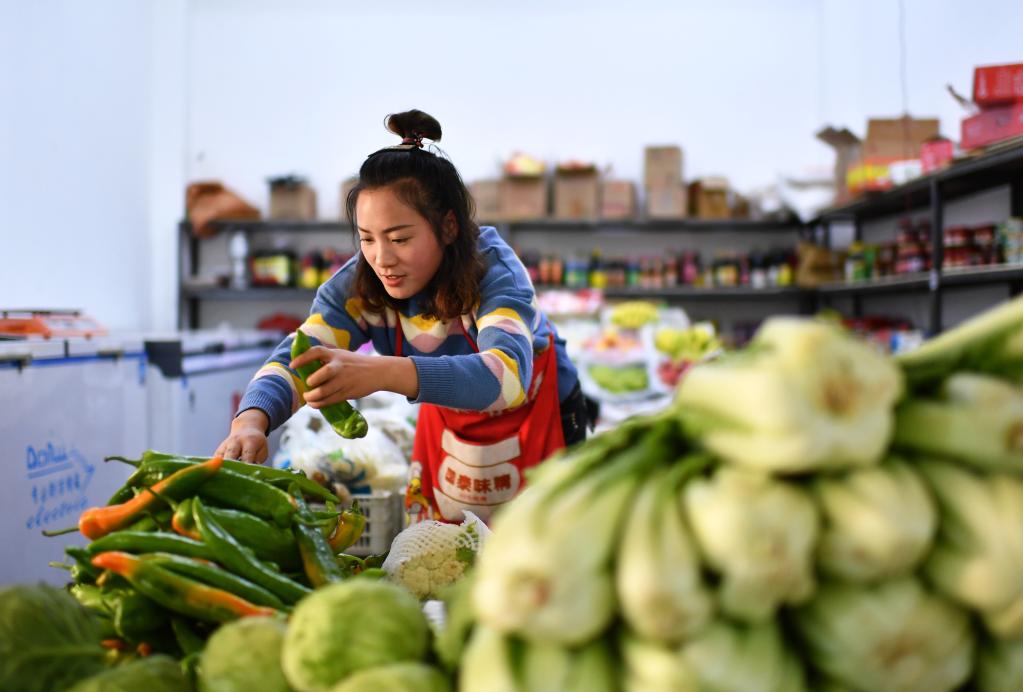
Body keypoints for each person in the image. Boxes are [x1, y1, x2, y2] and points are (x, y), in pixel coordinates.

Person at [216, 109, 589, 523]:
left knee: (542, 543)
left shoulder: (494, 272)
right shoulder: (359, 285)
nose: (382, 259)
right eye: (367, 239)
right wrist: (251, 421)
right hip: (453, 415)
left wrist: (379, 372)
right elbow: (299, 355)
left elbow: (506, 377)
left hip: (543, 415)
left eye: (400, 238)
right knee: (449, 545)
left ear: (449, 227)